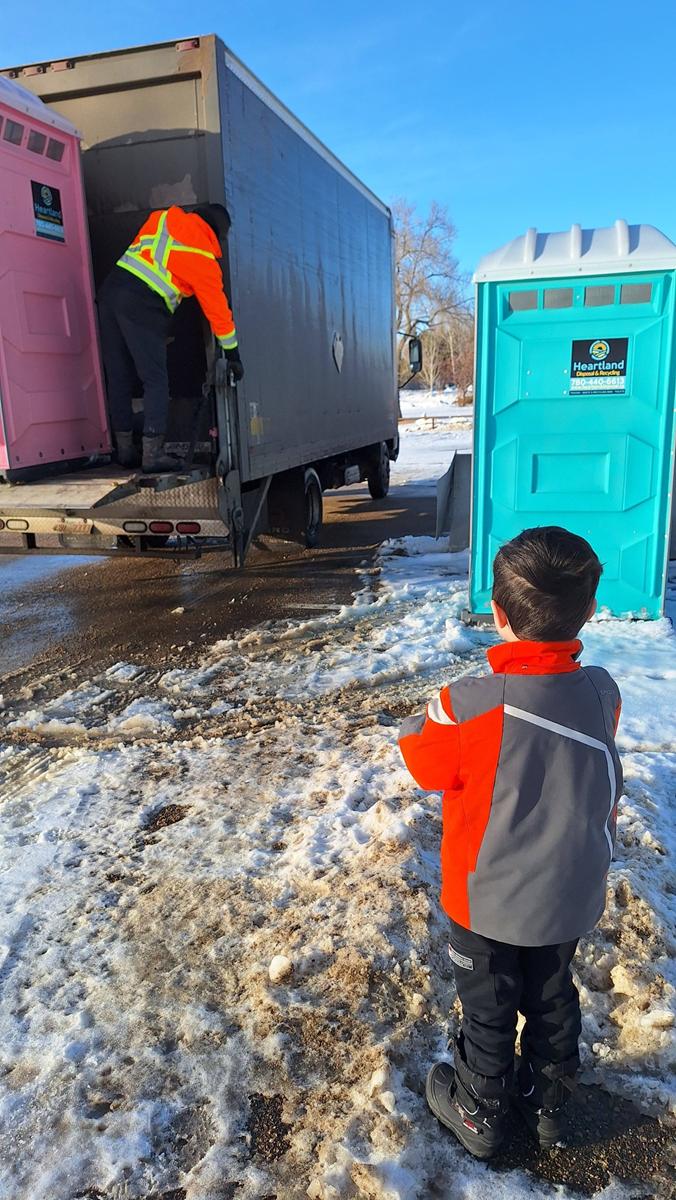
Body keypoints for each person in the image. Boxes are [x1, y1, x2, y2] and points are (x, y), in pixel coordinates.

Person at [398, 526, 622, 1160]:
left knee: (489, 1003)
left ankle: (481, 1110)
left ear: (497, 614)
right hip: (571, 893)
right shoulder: (603, 691)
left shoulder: (466, 704)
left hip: (487, 898)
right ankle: (550, 1106)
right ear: (589, 610)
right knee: (553, 992)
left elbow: (424, 764)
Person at [97, 203, 243, 474]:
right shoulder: (203, 256)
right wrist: (233, 354)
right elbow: (218, 313)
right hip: (143, 306)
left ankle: (126, 449)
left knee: (118, 376)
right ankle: (152, 455)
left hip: (110, 293)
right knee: (155, 380)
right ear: (218, 233)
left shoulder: (162, 219)